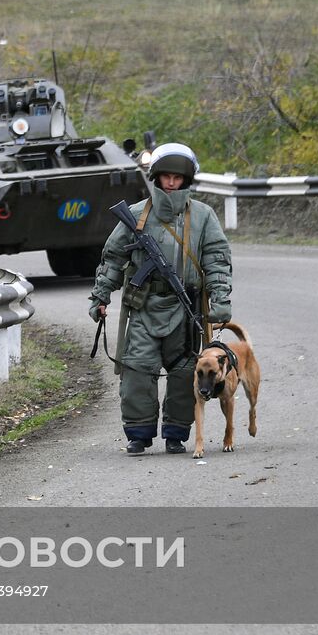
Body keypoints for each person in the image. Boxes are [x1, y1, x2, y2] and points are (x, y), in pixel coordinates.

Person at [89, 142, 232, 455]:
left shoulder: (203, 217)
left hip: (185, 308)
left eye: (177, 178)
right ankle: (139, 433)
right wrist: (101, 296)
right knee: (137, 368)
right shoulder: (137, 216)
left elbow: (218, 261)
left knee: (184, 370)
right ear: (156, 177)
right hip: (141, 305)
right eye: (166, 176)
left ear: (186, 180)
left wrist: (220, 303)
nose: (171, 182)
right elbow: (113, 258)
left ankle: (176, 433)